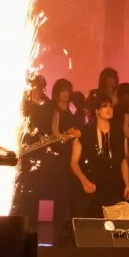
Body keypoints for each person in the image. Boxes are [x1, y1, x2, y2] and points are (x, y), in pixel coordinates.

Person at [70, 90, 129, 217]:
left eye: (110, 106)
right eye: (104, 106)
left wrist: (127, 184)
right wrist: (84, 181)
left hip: (113, 183)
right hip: (92, 182)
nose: (108, 109)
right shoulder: (85, 133)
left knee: (115, 222)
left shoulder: (118, 133)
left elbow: (123, 160)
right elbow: (74, 162)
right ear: (97, 110)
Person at [15, 74, 56, 226]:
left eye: (41, 87)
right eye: (36, 86)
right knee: (23, 189)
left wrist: (45, 136)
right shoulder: (23, 104)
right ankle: (20, 222)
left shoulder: (49, 105)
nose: (39, 89)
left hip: (42, 152)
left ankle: (34, 225)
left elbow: (51, 127)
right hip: (24, 151)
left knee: (39, 190)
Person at [48, 78, 81, 245]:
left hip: (72, 156)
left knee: (69, 195)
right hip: (57, 158)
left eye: (67, 91)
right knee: (58, 195)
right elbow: (54, 133)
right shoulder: (53, 112)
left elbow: (79, 133)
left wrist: (75, 135)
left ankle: (69, 231)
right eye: (62, 90)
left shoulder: (72, 114)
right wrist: (63, 137)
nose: (65, 94)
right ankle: (57, 232)